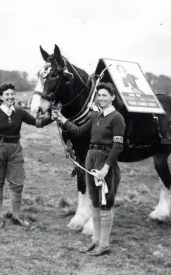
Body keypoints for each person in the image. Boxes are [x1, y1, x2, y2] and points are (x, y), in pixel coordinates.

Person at [52, 82, 125, 256]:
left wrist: (106, 168)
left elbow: (117, 146)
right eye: (99, 95)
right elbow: (78, 132)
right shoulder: (95, 116)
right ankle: (96, 241)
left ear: (113, 97)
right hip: (91, 158)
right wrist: (63, 120)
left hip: (105, 161)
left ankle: (104, 244)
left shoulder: (117, 118)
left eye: (105, 95)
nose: (101, 98)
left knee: (105, 202)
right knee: (95, 202)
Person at [0, 83, 52, 228]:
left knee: (17, 183)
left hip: (15, 149)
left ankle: (16, 216)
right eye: (7, 94)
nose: (10, 97)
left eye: (12, 94)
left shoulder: (20, 112)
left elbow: (37, 123)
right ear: (1, 97)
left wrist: (52, 117)